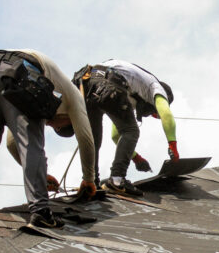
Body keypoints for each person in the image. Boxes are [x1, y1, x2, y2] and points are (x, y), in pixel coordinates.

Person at [0, 49, 96, 228]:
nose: (50, 125)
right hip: (21, 72)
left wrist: (42, 176)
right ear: (67, 120)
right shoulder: (75, 98)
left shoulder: (56, 90)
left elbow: (12, 143)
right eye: (56, 126)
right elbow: (86, 139)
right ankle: (41, 211)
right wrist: (89, 179)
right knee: (32, 142)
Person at [72, 59, 178, 198]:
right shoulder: (156, 87)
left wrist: (136, 158)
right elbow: (167, 115)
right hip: (108, 81)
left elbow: (116, 136)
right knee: (131, 130)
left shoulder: (133, 89)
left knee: (94, 139)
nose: (150, 115)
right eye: (153, 113)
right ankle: (117, 180)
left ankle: (91, 183)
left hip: (86, 81)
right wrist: (173, 145)